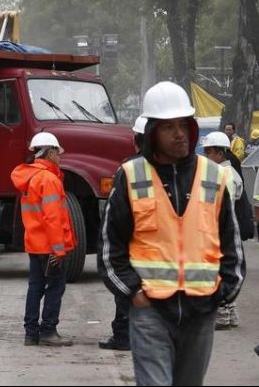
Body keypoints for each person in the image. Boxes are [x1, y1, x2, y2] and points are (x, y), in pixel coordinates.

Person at [98, 81, 245, 386]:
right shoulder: (131, 176)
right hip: (151, 310)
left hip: (201, 310)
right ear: (152, 132)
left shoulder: (213, 176)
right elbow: (111, 248)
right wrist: (133, 292)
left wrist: (223, 293)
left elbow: (231, 242)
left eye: (183, 125)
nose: (179, 133)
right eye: (169, 127)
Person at [11, 132, 76, 347]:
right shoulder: (48, 179)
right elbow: (53, 218)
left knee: (35, 287)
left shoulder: (29, 178)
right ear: (50, 152)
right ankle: (48, 331)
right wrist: (59, 250)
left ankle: (31, 333)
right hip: (50, 246)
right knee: (55, 287)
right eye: (58, 153)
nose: (60, 157)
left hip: (35, 244)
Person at [98, 116, 147, 352]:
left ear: (136, 140)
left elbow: (114, 217)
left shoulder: (128, 169)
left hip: (131, 247)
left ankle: (122, 336)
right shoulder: (180, 170)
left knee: (126, 293)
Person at [202, 131, 244, 330]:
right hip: (225, 227)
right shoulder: (231, 172)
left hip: (219, 228)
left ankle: (223, 314)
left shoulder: (223, 175)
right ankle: (231, 313)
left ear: (219, 153)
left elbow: (217, 204)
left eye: (209, 152)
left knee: (219, 270)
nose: (206, 156)